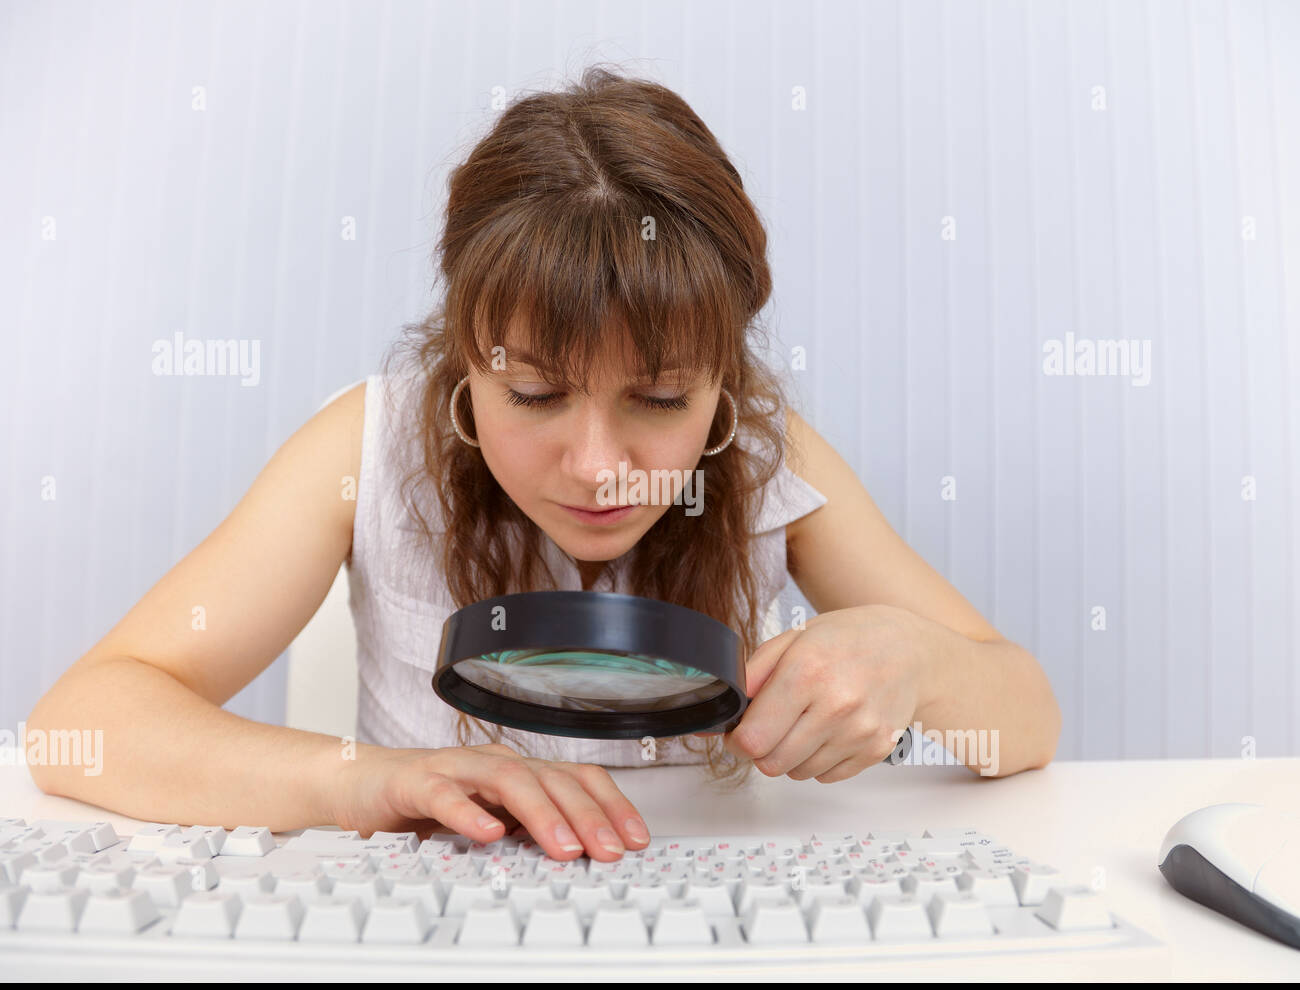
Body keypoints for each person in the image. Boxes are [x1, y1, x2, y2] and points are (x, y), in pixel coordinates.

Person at [27, 65, 1060, 863]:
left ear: (722, 386)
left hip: (706, 911)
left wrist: (920, 665)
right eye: (533, 394)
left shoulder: (764, 459)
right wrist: (368, 783)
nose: (599, 465)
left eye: (660, 399)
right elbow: (85, 719)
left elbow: (1026, 715)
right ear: (464, 360)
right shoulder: (366, 446)